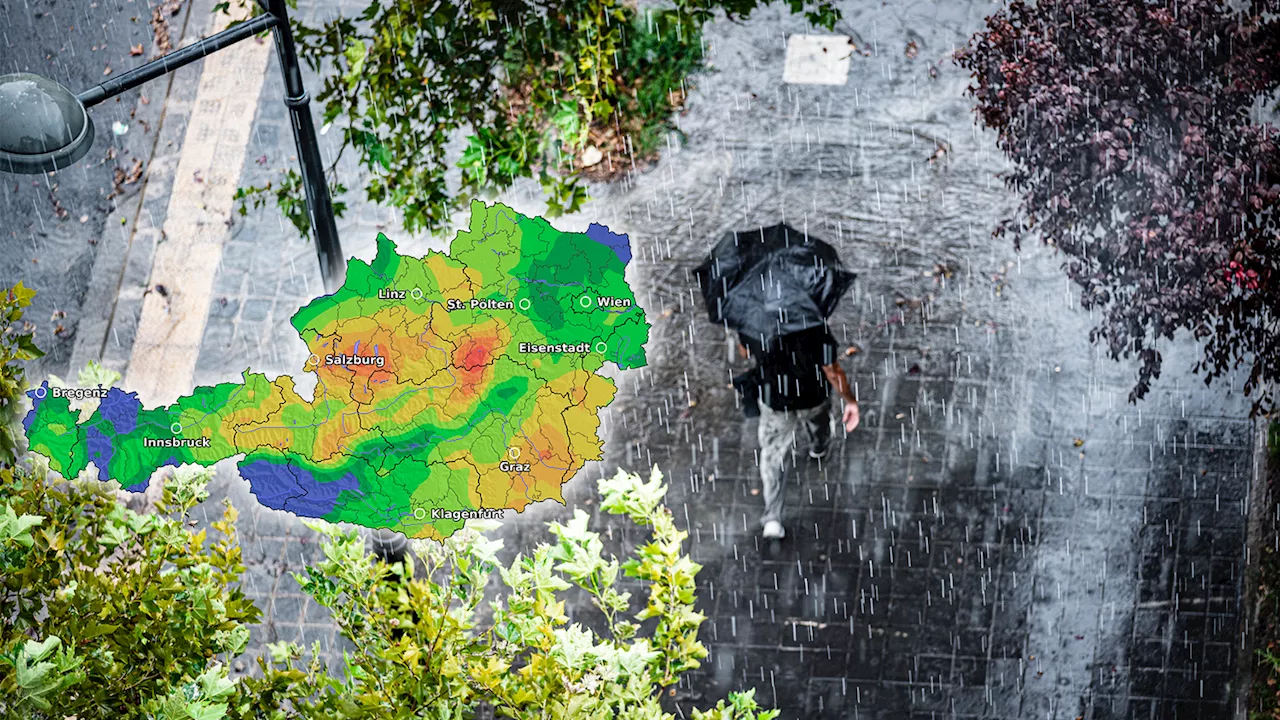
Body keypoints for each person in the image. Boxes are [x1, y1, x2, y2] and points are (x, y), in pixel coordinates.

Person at [737, 325, 859, 539]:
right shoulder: (812, 325)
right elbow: (832, 370)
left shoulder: (753, 321)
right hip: (813, 396)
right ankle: (819, 448)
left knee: (773, 456)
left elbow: (745, 352)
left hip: (775, 400)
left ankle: (773, 518)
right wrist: (850, 400)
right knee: (818, 423)